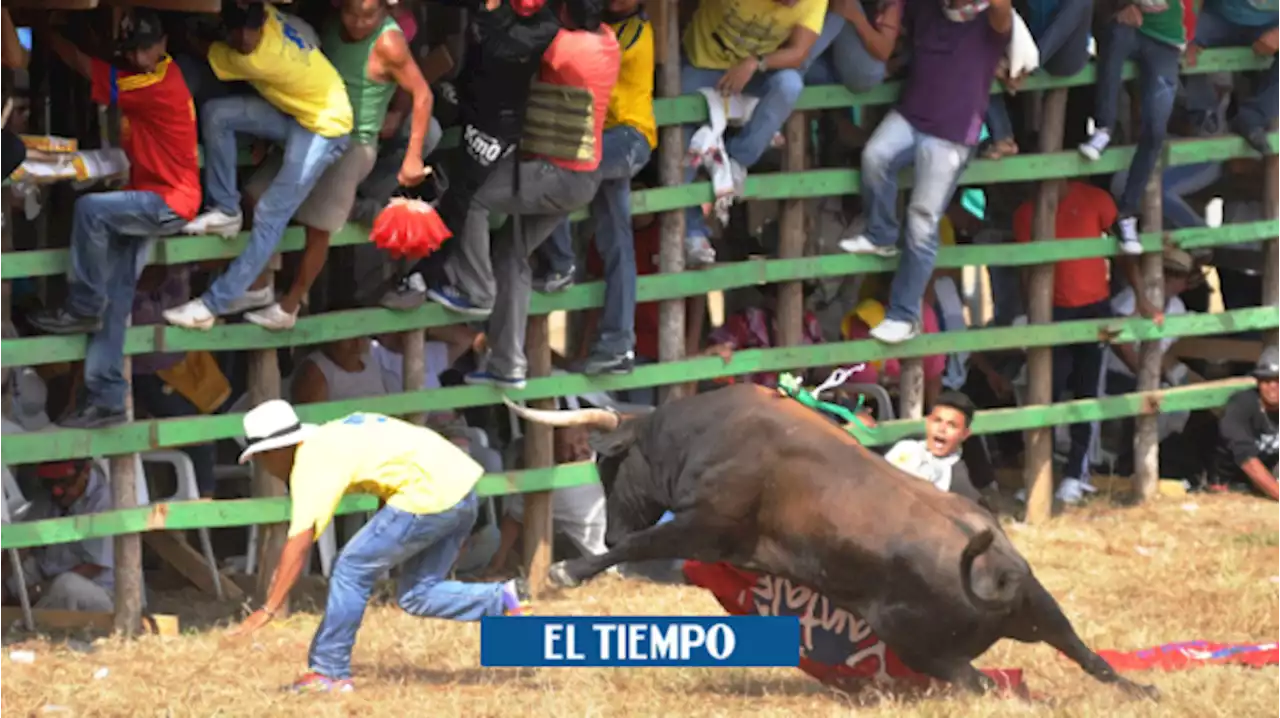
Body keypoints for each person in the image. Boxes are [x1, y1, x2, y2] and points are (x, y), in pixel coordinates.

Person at [228, 400, 531, 693]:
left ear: (275, 450)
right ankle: (503, 599)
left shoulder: (312, 462)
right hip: (461, 486)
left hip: (428, 493)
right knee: (417, 594)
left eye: (261, 459)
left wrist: (268, 608)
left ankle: (329, 672)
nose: (263, 468)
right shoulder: (335, 435)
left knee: (349, 568)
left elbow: (299, 543)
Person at [25, 10, 202, 430]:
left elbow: (87, 67)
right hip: (149, 196)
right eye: (134, 50)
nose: (141, 57)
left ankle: (82, 304)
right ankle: (106, 398)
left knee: (89, 209)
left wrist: (49, 32)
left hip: (168, 201)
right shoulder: (154, 72)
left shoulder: (154, 84)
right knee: (118, 298)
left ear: (162, 45)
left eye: (147, 48)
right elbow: (104, 61)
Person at [450, 0, 623, 389]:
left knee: (474, 197)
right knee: (512, 253)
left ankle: (476, 288)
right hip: (580, 178)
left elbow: (509, 48)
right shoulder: (608, 42)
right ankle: (508, 364)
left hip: (554, 175)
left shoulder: (562, 48)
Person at [239, 0, 434, 331]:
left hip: (355, 144)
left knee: (319, 228)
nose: (358, 22)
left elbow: (422, 94)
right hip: (316, 129)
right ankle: (259, 285)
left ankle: (289, 307)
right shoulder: (332, 27)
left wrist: (413, 155)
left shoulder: (389, 43)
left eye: (368, 15)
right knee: (256, 193)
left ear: (385, 12)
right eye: (351, 13)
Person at [164, 2, 352, 330]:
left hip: (325, 127)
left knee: (269, 215)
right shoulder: (267, 14)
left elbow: (202, 49)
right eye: (237, 28)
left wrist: (186, 30)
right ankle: (226, 209)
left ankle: (211, 306)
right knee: (217, 115)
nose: (244, 36)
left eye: (249, 27)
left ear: (260, 21)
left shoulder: (258, 57)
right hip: (301, 112)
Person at [837, 0, 1013, 344]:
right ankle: (881, 233)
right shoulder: (926, 7)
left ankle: (904, 315)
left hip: (952, 133)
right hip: (912, 113)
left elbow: (1003, 8)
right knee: (874, 156)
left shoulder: (991, 22)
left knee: (922, 219)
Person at [378, 0, 563, 310]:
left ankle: (429, 278)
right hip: (469, 103)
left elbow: (501, 50)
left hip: (497, 126)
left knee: (461, 198)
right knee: (435, 172)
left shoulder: (545, 25)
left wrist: (491, 11)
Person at [537, 0, 657, 375]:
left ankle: (560, 263)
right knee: (617, 240)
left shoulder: (633, 33)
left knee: (556, 170)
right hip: (600, 140)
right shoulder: (600, 28)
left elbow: (587, 73)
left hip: (628, 138)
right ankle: (618, 344)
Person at [677, 0, 826, 266]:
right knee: (682, 137)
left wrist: (754, 63)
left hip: (753, 73)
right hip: (703, 65)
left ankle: (735, 161)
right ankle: (692, 231)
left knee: (790, 85)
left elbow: (799, 52)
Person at [1077, 0, 1192, 252]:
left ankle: (1127, 213)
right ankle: (1103, 127)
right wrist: (1119, 6)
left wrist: (1192, 36)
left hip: (1168, 41)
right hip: (1131, 27)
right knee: (1115, 40)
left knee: (1155, 131)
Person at [1, 460, 116, 612]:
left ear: (85, 473)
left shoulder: (104, 501)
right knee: (12, 574)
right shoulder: (49, 495)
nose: (56, 490)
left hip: (97, 588)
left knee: (65, 586)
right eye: (49, 483)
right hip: (47, 571)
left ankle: (27, 625)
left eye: (64, 483)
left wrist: (40, 590)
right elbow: (25, 541)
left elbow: (93, 567)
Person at [1184, 0, 1280, 155]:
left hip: (1271, 23)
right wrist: (1190, 30)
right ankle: (1202, 114)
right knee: (1175, 40)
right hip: (1219, 17)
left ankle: (1253, 117)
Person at [882, 391, 982, 501]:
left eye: (952, 425)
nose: (942, 429)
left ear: (965, 434)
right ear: (928, 422)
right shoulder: (905, 447)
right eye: (937, 420)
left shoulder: (958, 481)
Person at [1210, 345, 1280, 502]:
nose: (1272, 387)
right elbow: (1247, 460)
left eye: (1278, 380)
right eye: (1266, 380)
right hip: (1229, 483)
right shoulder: (1242, 405)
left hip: (1268, 477)